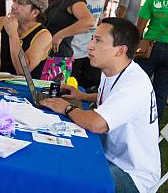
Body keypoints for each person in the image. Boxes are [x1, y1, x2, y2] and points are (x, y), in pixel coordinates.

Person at [40, 17, 160, 192]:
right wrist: (83, 96)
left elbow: (97, 124)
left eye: (98, 40)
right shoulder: (113, 69)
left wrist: (66, 108)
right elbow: (114, 97)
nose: (90, 46)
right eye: (92, 39)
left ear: (120, 50)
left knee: (68, 180)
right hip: (110, 156)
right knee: (60, 160)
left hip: (133, 175)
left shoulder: (135, 84)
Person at [43, 0, 93, 83]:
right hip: (44, 54)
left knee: (47, 97)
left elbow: (88, 21)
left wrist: (60, 35)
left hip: (57, 58)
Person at [0, 0, 52, 79]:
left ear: (35, 13)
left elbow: (22, 71)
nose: (13, 5)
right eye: (14, 0)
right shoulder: (1, 23)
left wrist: (13, 34)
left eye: (20, 3)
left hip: (24, 90)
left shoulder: (43, 36)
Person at [71, 0, 117, 90]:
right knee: (71, 81)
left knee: (93, 78)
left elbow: (98, 20)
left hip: (89, 48)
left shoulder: (103, 0)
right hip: (74, 47)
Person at [136, 0, 168, 125]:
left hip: (150, 47)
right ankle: (153, 127)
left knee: (135, 84)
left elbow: (140, 28)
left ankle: (130, 119)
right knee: (160, 93)